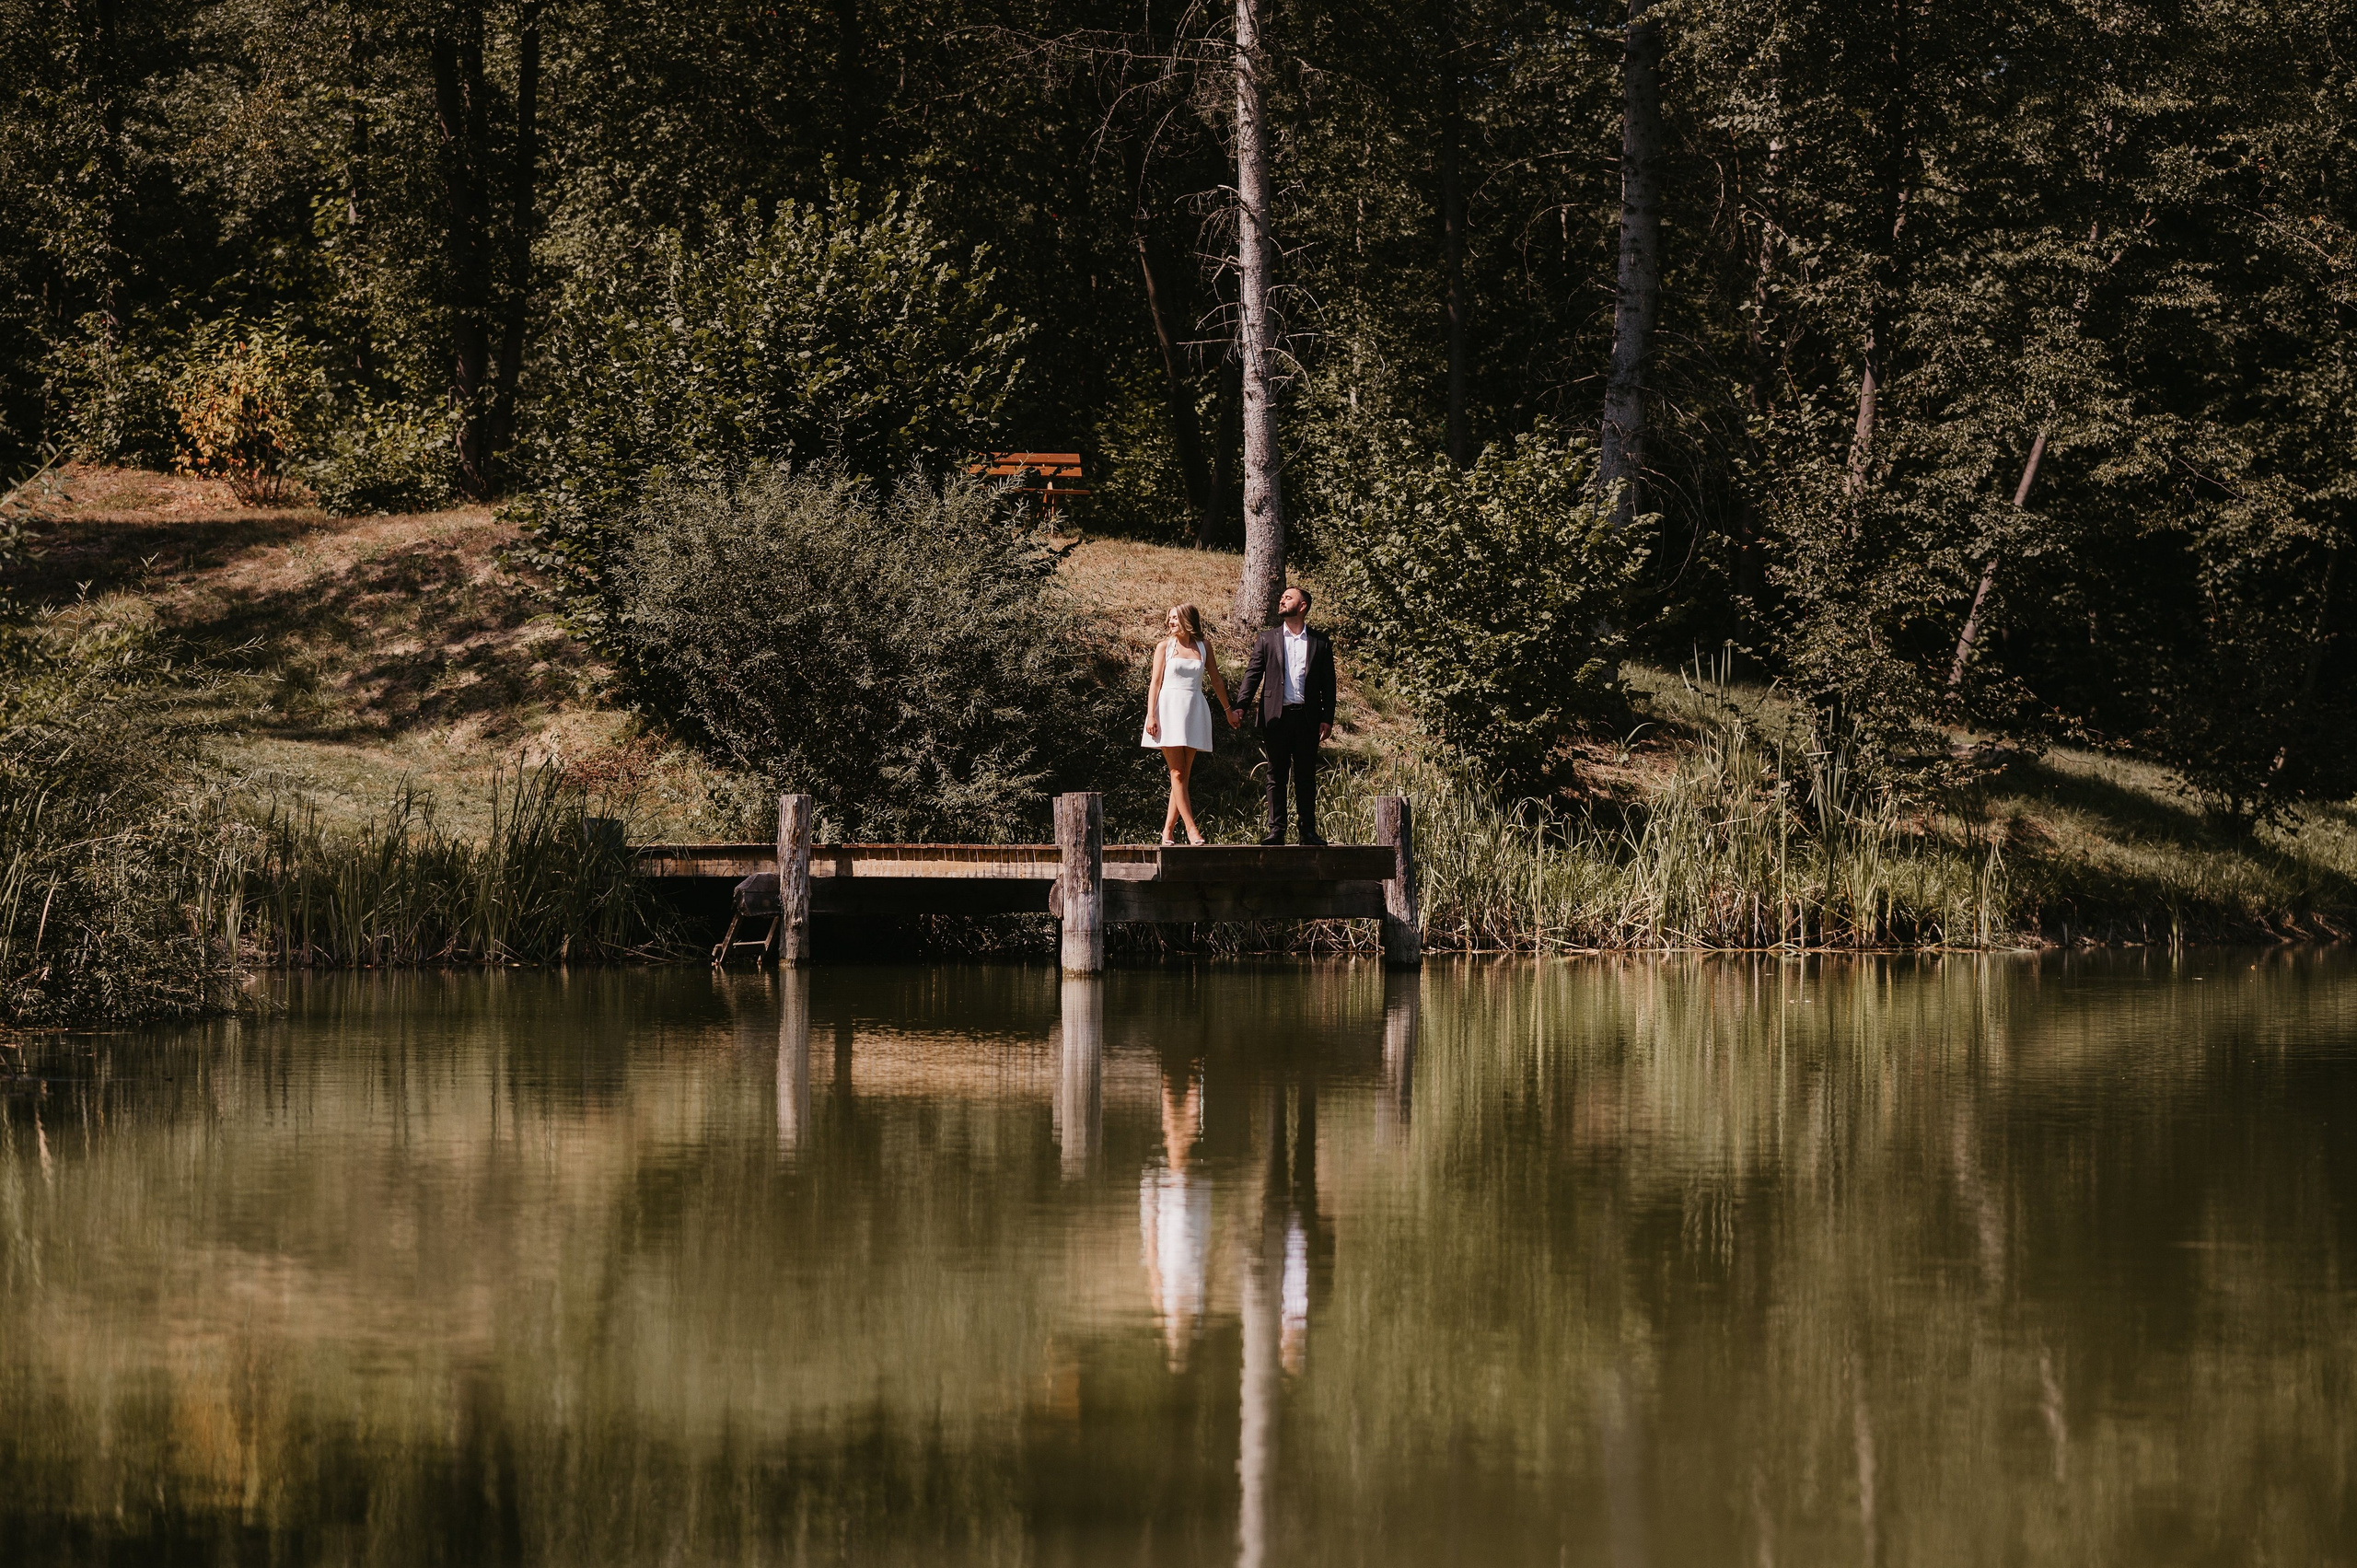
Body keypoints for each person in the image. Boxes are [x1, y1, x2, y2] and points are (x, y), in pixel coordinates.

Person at [1232, 585, 1336, 845]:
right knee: (1275, 775)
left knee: (1305, 776)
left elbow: (1329, 684)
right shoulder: (1267, 639)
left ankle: (1307, 833)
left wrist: (1328, 717)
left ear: (1302, 607)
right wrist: (1241, 705)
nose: (1282, 601)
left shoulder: (1320, 642)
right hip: (1276, 717)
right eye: (1281, 597)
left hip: (1308, 719)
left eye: (1288, 598)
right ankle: (1276, 831)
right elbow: (1253, 674)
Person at [1142, 602, 1238, 846]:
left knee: (1183, 777)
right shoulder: (1164, 647)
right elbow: (1155, 683)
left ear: (1187, 620)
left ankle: (1167, 832)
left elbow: (1215, 679)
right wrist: (1150, 715)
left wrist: (1228, 710)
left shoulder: (1204, 647)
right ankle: (1191, 829)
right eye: (1169, 618)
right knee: (1177, 772)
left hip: (1194, 709)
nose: (1170, 622)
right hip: (1169, 709)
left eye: (1174, 618)